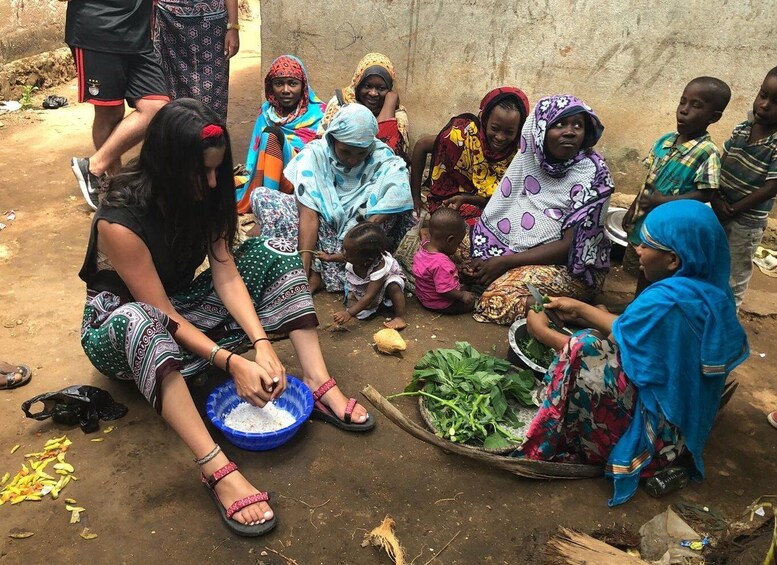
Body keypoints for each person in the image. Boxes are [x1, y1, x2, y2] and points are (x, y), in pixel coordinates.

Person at [78, 99, 374, 537]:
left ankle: (315, 379)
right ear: (167, 165)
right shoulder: (119, 220)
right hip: (122, 329)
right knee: (145, 321)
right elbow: (159, 310)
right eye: (203, 172)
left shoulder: (208, 191)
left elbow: (226, 273)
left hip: (181, 309)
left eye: (218, 169)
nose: (214, 181)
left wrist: (260, 344)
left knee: (275, 252)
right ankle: (215, 466)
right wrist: (231, 362)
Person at [520, 200, 749, 506]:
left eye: (648, 244)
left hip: (654, 436)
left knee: (583, 346)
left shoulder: (666, 302)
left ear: (672, 260)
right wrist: (579, 308)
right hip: (681, 425)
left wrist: (543, 333)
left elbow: (621, 348)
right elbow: (633, 330)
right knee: (594, 333)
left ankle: (590, 442)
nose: (638, 248)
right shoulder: (710, 293)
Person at [466, 95, 614, 326]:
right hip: (518, 250)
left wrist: (505, 262)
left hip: (568, 267)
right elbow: (508, 209)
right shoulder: (531, 158)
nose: (570, 131)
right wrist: (491, 258)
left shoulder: (593, 175)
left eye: (578, 125)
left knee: (495, 300)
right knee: (448, 244)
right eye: (560, 124)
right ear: (540, 131)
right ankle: (498, 277)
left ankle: (583, 313)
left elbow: (570, 247)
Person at [251, 104, 414, 293]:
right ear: (332, 139)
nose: (352, 160)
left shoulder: (383, 158)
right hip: (318, 223)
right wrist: (302, 271)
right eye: (345, 151)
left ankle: (335, 274)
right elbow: (309, 216)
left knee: (394, 206)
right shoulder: (315, 155)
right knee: (263, 197)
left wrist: (358, 238)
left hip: (357, 229)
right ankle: (309, 272)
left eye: (360, 153)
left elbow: (388, 204)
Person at [623, 77, 730, 295]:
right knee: (643, 267)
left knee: (661, 275)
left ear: (714, 117)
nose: (684, 110)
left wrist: (663, 201)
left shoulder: (706, 152)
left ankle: (648, 312)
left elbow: (706, 193)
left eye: (696, 105)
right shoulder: (665, 141)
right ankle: (637, 308)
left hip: (671, 232)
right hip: (645, 221)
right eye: (683, 102)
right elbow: (649, 181)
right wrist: (632, 211)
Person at [65, 0, 170, 210]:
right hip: (98, 33)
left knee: (157, 107)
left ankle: (93, 166)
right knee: (110, 112)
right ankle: (114, 185)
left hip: (138, 36)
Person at [410, 87, 530, 224]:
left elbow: (507, 197)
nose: (500, 137)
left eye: (509, 132)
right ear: (484, 120)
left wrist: (466, 199)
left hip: (493, 207)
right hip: (451, 203)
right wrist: (416, 198)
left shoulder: (519, 153)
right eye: (495, 128)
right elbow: (421, 145)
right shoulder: (461, 136)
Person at [712, 66, 777, 309]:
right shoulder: (743, 127)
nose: (764, 105)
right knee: (711, 258)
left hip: (746, 222)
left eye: (775, 102)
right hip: (720, 207)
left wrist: (734, 209)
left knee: (734, 275)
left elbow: (771, 187)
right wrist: (716, 198)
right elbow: (722, 161)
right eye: (763, 94)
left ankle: (728, 319)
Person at [235, 55, 326, 213]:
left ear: (303, 85)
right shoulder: (266, 112)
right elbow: (255, 157)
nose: (285, 90)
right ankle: (267, 200)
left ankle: (270, 209)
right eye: (279, 84)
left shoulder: (319, 113)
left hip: (302, 182)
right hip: (268, 176)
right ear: (271, 87)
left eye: (292, 84)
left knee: (271, 135)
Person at [154, 0, 240, 122]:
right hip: (169, 25)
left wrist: (233, 27)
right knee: (172, 97)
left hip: (212, 29)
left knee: (212, 96)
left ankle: (211, 137)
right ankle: (178, 137)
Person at [317, 53, 409, 161]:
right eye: (368, 86)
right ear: (358, 84)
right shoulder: (340, 104)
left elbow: (387, 153)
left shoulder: (398, 114)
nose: (373, 93)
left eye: (381, 88)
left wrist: (389, 104)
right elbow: (324, 146)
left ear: (389, 89)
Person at [325, 223, 407, 330]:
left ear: (367, 261)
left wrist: (349, 313)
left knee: (393, 286)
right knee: (361, 312)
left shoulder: (379, 268)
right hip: (369, 282)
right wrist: (329, 258)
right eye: (344, 249)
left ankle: (399, 317)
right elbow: (343, 257)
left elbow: (369, 296)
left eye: (347, 252)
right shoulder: (355, 256)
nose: (343, 253)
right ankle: (379, 305)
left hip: (385, 281)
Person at [412, 208, 475, 314]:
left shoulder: (424, 245)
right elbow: (445, 291)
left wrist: (457, 268)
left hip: (423, 295)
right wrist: (462, 295)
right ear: (450, 240)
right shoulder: (442, 263)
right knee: (469, 302)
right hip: (438, 303)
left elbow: (431, 270)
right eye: (457, 243)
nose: (458, 246)